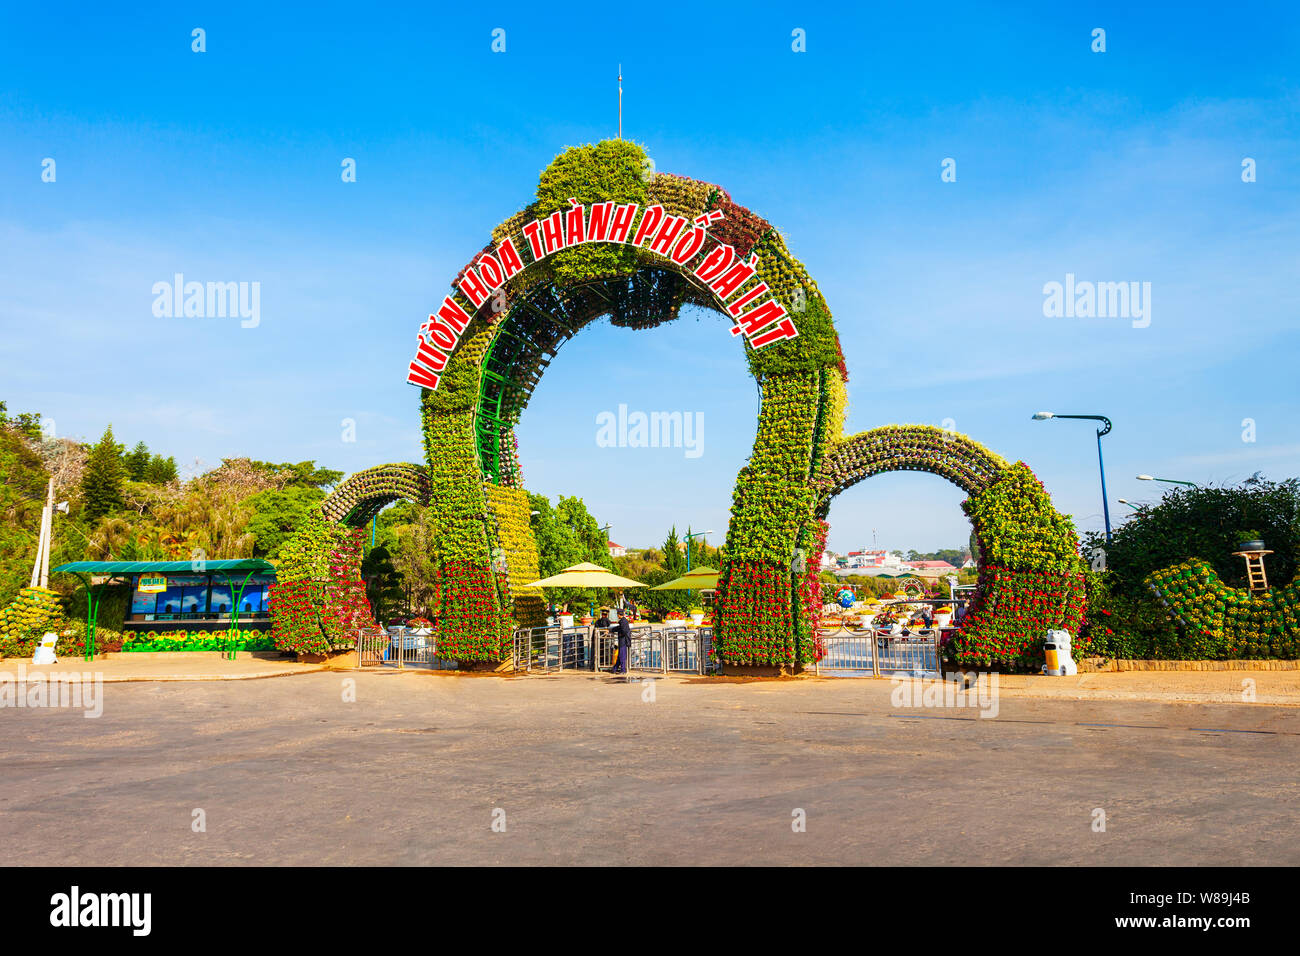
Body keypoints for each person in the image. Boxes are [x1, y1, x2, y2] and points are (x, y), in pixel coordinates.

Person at [611, 609, 632, 675]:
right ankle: (615, 669)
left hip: (623, 641)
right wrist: (612, 630)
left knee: (622, 656)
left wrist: (619, 633)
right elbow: (619, 628)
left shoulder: (623, 621)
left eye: (617, 614)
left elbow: (623, 630)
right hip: (623, 641)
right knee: (621, 655)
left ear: (619, 615)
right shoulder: (623, 621)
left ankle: (623, 670)